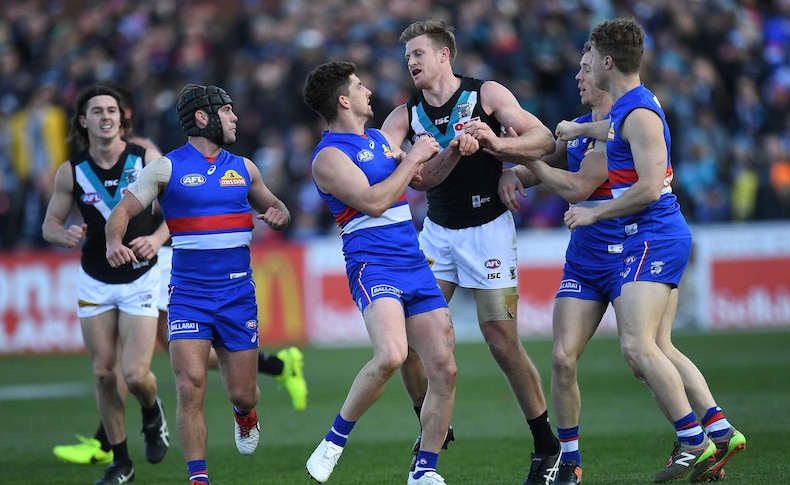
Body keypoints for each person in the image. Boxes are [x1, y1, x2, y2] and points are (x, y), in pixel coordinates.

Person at [500, 43, 746, 485]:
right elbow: (542, 165)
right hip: (587, 256)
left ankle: (695, 438)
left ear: (604, 70)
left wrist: (522, 156)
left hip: (628, 249)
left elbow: (576, 186)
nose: (578, 75)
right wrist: (505, 170)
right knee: (563, 358)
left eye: (584, 66)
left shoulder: (621, 126)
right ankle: (575, 461)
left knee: (642, 350)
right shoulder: (592, 125)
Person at [52, 84, 308, 468]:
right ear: (203, 118)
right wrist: (112, 242)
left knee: (243, 393)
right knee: (190, 388)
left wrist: (280, 214)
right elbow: (121, 211)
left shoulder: (245, 168)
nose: (235, 118)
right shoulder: (165, 167)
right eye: (227, 112)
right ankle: (198, 477)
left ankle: (245, 413)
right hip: (188, 295)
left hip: (238, 295)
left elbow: (277, 206)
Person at [379, 19, 560, 485]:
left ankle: (546, 445)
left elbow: (545, 139)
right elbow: (415, 180)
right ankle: (432, 419)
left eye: (418, 54)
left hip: (489, 233)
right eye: (407, 58)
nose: (411, 63)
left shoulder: (488, 95)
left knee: (501, 342)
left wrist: (499, 149)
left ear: (444, 55)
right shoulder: (403, 117)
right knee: (403, 340)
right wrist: (457, 152)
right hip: (437, 234)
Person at [302, 61, 457, 485]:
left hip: (412, 260)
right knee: (392, 354)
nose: (368, 89)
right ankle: (333, 442)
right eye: (358, 85)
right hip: (374, 263)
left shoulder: (376, 139)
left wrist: (454, 150)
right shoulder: (328, 157)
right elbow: (373, 201)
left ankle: (424, 470)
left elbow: (422, 176)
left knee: (444, 366)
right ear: (343, 100)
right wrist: (414, 158)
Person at [41, 83, 170, 485]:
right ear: (83, 121)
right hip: (94, 279)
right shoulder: (71, 171)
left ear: (122, 118)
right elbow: (50, 223)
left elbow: (179, 212)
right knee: (102, 373)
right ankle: (121, 462)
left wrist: (157, 237)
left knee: (134, 375)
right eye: (97, 111)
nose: (106, 116)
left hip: (140, 277)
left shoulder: (146, 159)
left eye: (112, 110)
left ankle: (153, 412)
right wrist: (60, 235)